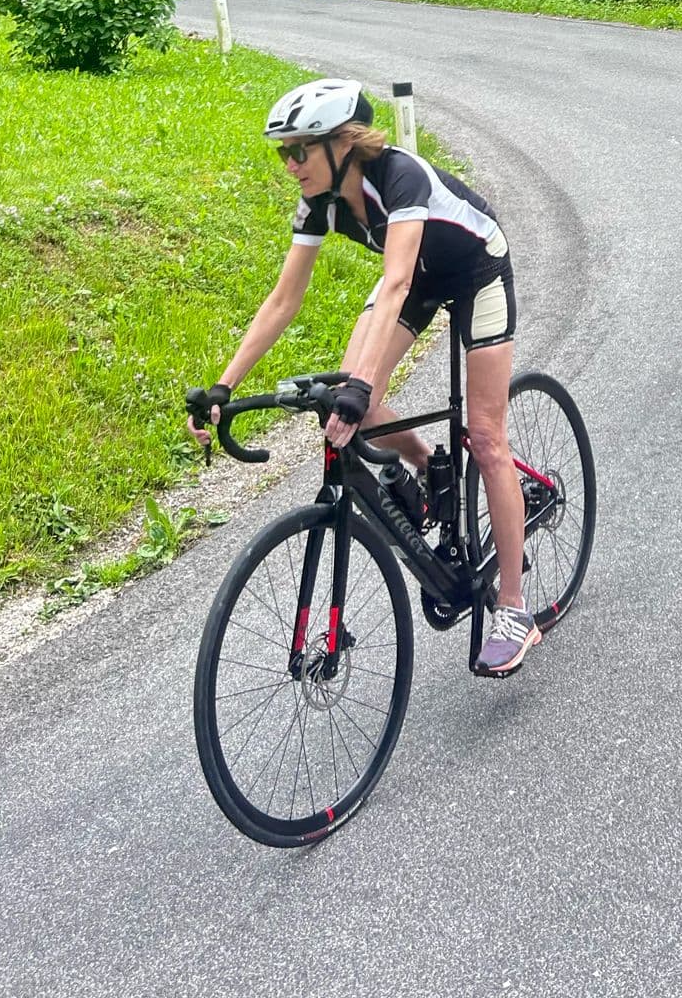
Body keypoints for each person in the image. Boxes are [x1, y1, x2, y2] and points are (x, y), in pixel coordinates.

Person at [187, 77, 540, 678]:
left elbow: (396, 279)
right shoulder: (319, 201)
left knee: (484, 436)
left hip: (476, 269)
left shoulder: (400, 177)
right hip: (418, 278)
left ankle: (513, 608)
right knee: (358, 398)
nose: (291, 164)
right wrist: (223, 385)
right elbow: (283, 299)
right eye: (284, 152)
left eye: (301, 150)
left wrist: (361, 386)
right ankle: (428, 463)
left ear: (344, 144)